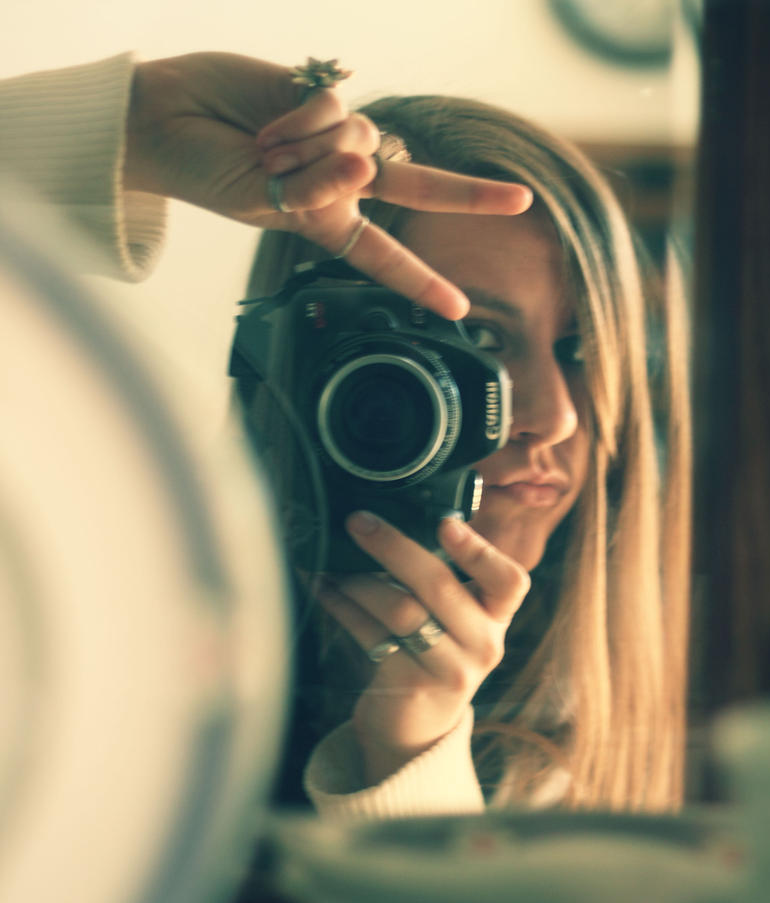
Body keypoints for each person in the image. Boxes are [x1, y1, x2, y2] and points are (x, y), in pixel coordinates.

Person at [243, 94, 692, 818]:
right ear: (306, 358)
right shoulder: (150, 667)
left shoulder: (709, 702)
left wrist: (412, 751)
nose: (554, 417)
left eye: (580, 349)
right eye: (478, 341)